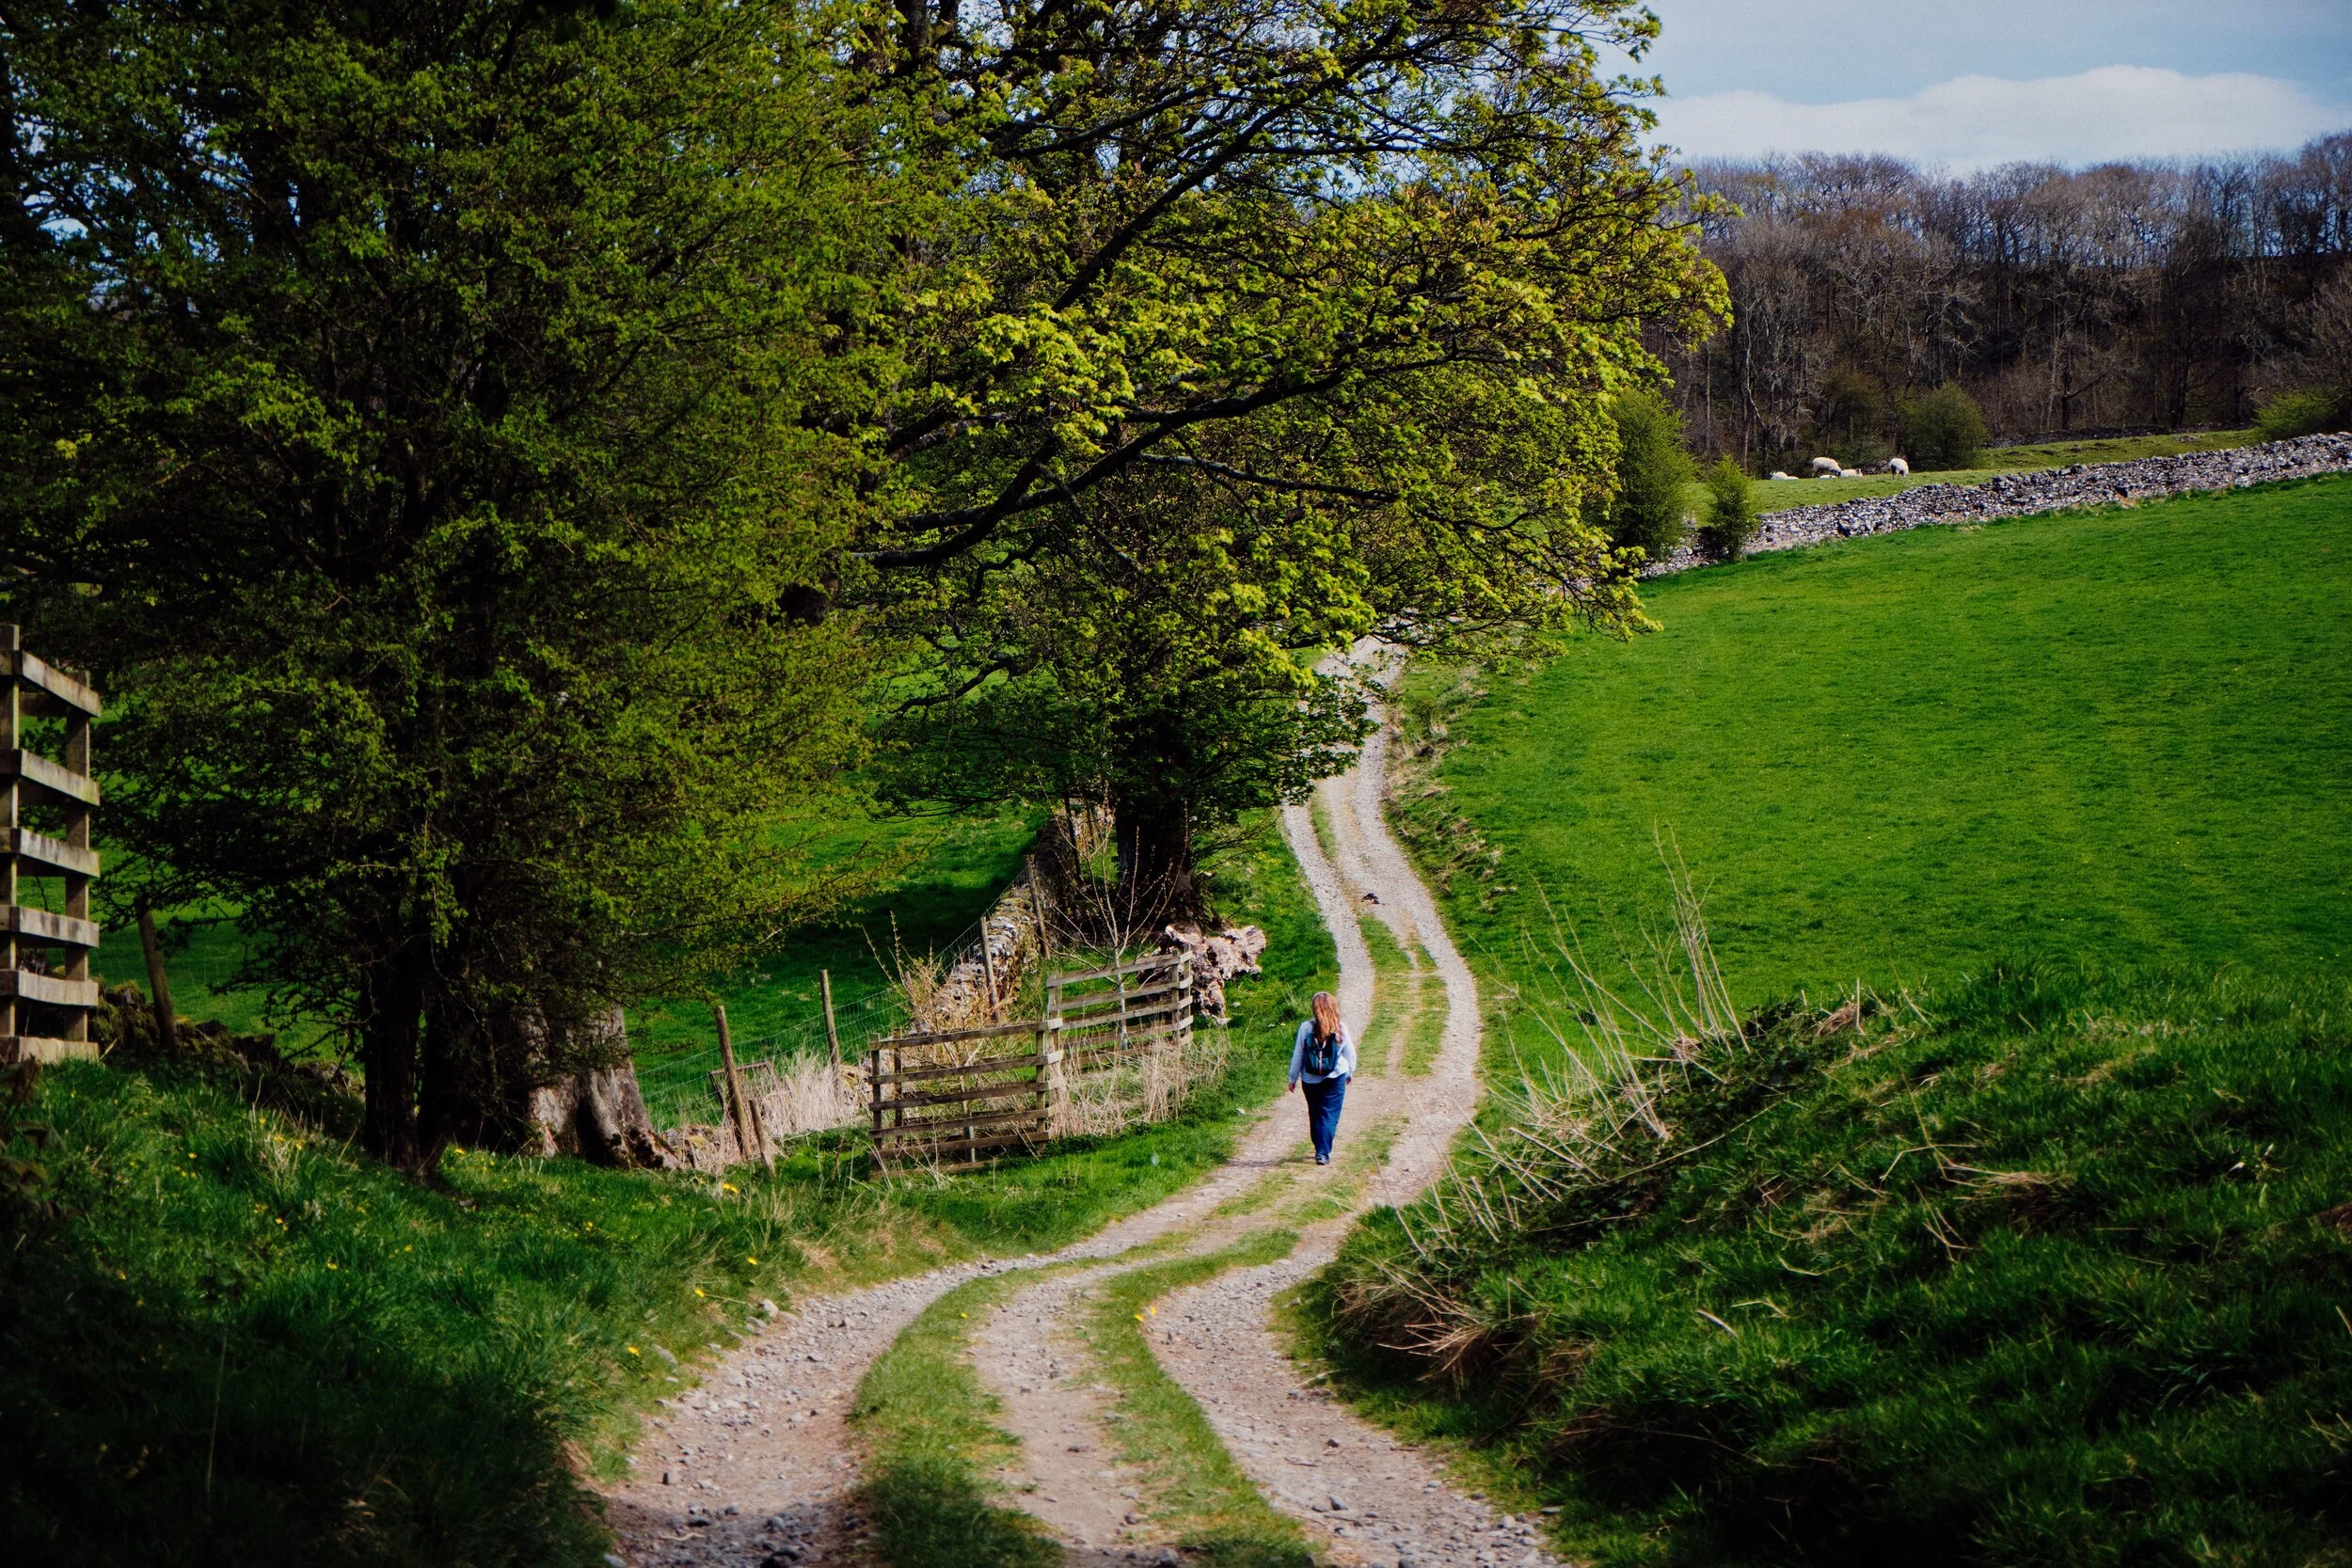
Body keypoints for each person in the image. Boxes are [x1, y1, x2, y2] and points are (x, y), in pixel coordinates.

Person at [1287, 990, 1354, 1165]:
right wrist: (1350, 1072)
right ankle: (1322, 1152)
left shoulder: (1305, 1027)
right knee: (1329, 1114)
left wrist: (1292, 1078)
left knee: (1315, 1113)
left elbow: (1298, 1055)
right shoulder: (1340, 1027)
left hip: (1310, 1079)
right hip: (1335, 1076)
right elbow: (1350, 1053)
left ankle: (1319, 1145)